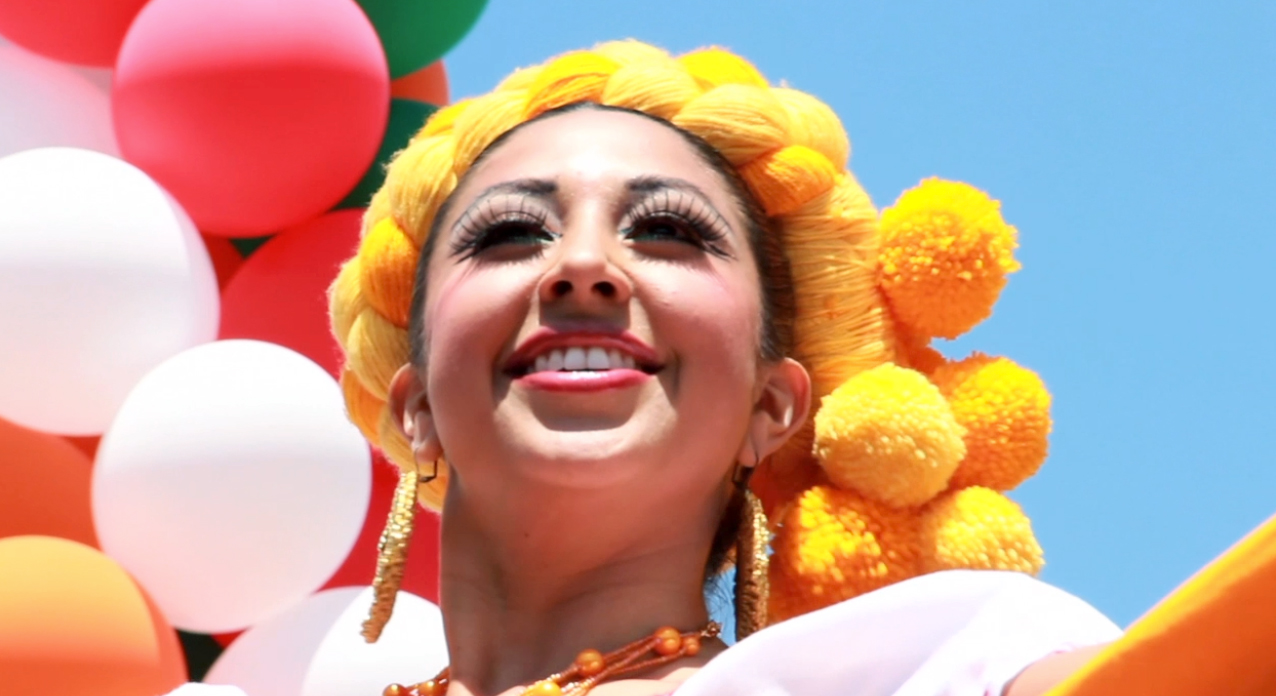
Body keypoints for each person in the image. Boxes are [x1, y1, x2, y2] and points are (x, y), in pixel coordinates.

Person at [174, 41, 1121, 696]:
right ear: (413, 405)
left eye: (669, 230)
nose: (582, 266)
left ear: (772, 405)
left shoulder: (939, 666)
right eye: (509, 234)